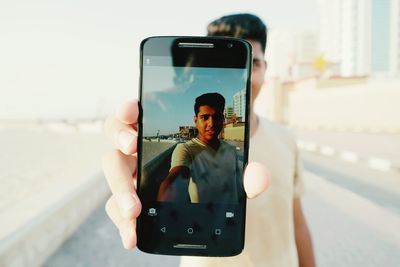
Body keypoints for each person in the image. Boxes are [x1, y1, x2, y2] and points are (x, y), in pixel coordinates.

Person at [103, 13, 315, 267]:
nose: (243, 78)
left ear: (265, 69)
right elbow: (174, 178)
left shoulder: (286, 139)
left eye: (253, 65)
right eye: (233, 67)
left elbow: (298, 224)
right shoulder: (186, 150)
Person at [157, 93, 242, 203]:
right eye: (205, 117)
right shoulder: (186, 149)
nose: (211, 123)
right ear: (196, 120)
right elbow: (174, 180)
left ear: (223, 119)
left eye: (216, 117)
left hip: (231, 217)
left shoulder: (230, 150)